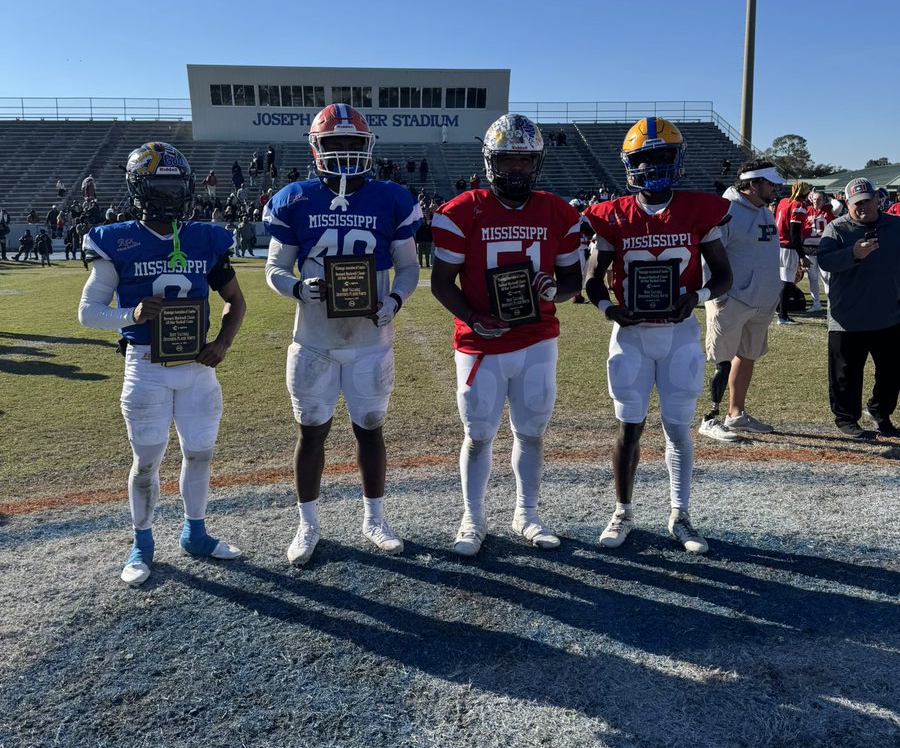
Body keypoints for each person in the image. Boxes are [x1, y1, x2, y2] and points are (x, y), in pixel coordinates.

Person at [78, 141, 246, 586]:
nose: (171, 195)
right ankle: (143, 543)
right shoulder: (115, 239)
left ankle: (196, 533)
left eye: (177, 185)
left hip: (197, 369)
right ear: (139, 187)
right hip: (147, 366)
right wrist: (129, 315)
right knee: (147, 460)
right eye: (160, 185)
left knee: (199, 454)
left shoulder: (206, 238)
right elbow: (88, 312)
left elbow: (234, 301)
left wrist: (223, 343)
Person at [263, 104, 422, 566]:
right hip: (314, 340)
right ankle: (308, 524)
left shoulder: (391, 197)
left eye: (355, 144)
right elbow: (275, 267)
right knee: (311, 435)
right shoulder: (294, 198)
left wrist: (393, 302)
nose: (347, 153)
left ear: (368, 147)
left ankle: (375, 518)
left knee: (370, 431)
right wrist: (297, 287)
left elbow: (409, 267)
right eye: (337, 143)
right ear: (317, 148)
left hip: (371, 340)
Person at [431, 114, 583, 557]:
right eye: (507, 160)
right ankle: (472, 519)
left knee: (532, 430)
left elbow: (573, 279)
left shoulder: (559, 212)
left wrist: (557, 288)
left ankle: (527, 514)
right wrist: (473, 317)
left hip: (537, 337)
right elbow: (442, 283)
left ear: (536, 163)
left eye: (524, 160)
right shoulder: (461, 211)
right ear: (490, 160)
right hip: (481, 341)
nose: (516, 169)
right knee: (478, 433)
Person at [583, 118, 732, 554]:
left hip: (680, 332)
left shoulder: (699, 210)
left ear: (678, 159)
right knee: (629, 427)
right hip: (630, 335)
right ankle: (623, 511)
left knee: (678, 429)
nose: (653, 166)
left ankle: (680, 514)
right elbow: (594, 279)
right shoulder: (613, 215)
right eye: (645, 158)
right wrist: (610, 308)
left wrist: (698, 296)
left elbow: (724, 276)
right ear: (630, 165)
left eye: (661, 156)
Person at [698, 160, 784, 442]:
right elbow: (707, 255)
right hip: (731, 298)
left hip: (760, 300)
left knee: (747, 356)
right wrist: (717, 295)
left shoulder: (764, 210)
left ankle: (736, 414)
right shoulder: (726, 211)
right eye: (771, 183)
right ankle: (709, 417)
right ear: (753, 183)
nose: (776, 188)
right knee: (721, 361)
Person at [817, 178, 900, 439]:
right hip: (848, 318)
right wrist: (852, 254)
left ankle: (879, 410)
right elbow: (826, 261)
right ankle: (846, 419)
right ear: (847, 203)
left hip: (889, 314)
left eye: (866, 201)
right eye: (856, 203)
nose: (862, 207)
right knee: (846, 374)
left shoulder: (895, 225)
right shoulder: (836, 228)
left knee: (892, 372)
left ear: (877, 199)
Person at [774, 182, 810, 324]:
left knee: (782, 281)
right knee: (787, 282)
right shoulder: (798, 206)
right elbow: (794, 234)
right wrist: (802, 256)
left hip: (778, 246)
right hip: (788, 247)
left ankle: (778, 309)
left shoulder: (783, 201)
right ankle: (783, 316)